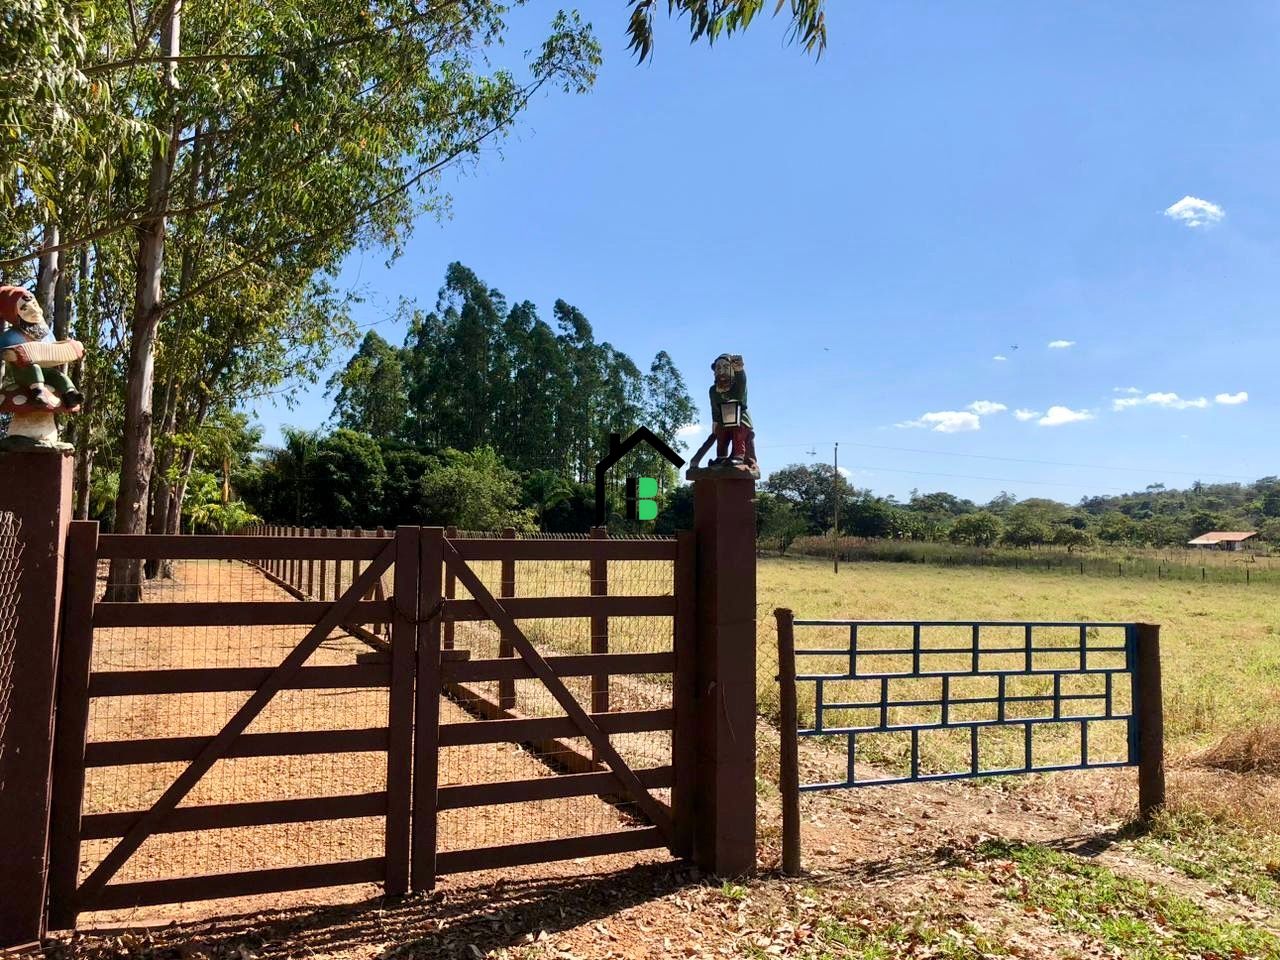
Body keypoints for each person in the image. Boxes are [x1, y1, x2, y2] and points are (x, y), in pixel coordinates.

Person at [0, 285, 82, 411]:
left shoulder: (46, 333)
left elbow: (53, 348)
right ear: (16, 315)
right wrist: (9, 354)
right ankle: (38, 392)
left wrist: (70, 349)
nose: (34, 311)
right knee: (34, 369)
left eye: (34, 305)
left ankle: (71, 394)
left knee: (59, 376)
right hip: (23, 371)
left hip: (46, 370)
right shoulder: (12, 336)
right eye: (25, 309)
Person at [707, 353, 755, 467]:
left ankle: (739, 456)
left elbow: (739, 394)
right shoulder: (714, 390)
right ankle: (721, 457)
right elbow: (714, 407)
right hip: (723, 418)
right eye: (718, 368)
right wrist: (715, 422)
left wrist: (739, 370)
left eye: (726, 367)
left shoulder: (738, 386)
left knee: (738, 432)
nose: (721, 371)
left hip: (740, 416)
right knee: (721, 434)